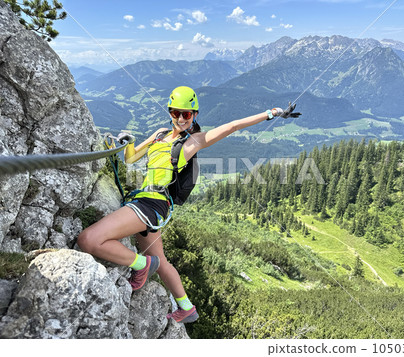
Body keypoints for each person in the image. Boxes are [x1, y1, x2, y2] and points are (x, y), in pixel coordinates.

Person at [77, 86, 300, 324]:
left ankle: (141, 264)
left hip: (152, 205)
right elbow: (131, 158)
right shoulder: (160, 134)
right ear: (170, 112)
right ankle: (186, 307)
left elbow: (233, 126)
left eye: (187, 114)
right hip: (145, 203)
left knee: (88, 240)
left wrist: (272, 113)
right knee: (161, 261)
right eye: (176, 113)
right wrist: (129, 142)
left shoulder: (193, 142)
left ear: (195, 114)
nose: (181, 119)